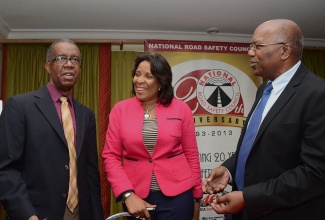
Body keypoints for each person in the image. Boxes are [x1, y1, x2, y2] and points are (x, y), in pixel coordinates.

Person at [202, 19, 325, 220]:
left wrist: (249, 198)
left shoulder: (317, 93)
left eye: (257, 46)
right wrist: (228, 170)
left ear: (285, 51)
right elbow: (255, 148)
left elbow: (315, 174)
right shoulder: (263, 90)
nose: (250, 52)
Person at [0, 39, 104, 220]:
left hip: (79, 213)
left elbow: (90, 174)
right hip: (35, 213)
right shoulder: (19, 106)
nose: (70, 64)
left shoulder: (86, 114)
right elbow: (6, 169)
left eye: (75, 60)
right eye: (62, 58)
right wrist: (27, 215)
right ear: (48, 66)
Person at [102, 52, 203, 220]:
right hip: (137, 198)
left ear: (161, 82)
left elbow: (191, 154)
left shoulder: (181, 109)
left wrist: (197, 197)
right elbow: (110, 156)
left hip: (179, 196)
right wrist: (127, 194)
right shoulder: (120, 110)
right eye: (137, 74)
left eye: (148, 76)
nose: (139, 80)